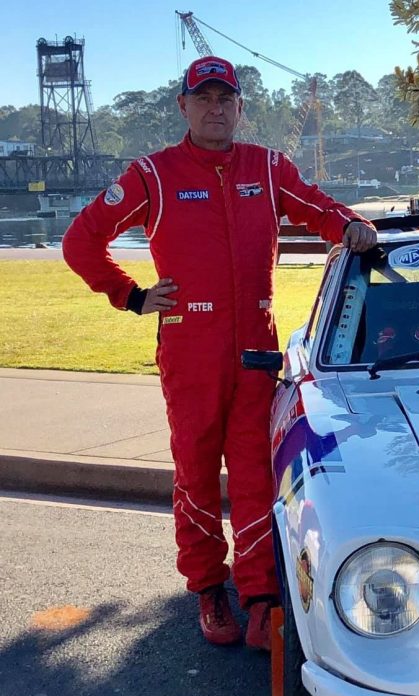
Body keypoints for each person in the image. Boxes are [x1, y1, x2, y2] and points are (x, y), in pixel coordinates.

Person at [62, 56, 378, 649]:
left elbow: (315, 206)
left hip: (257, 351)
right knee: (197, 472)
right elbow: (81, 241)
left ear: (238, 106)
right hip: (191, 353)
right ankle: (209, 590)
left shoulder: (267, 165)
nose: (215, 108)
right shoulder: (153, 175)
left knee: (259, 474)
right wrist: (130, 295)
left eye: (224, 99)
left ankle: (259, 596)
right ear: (183, 106)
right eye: (202, 98)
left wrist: (351, 224)